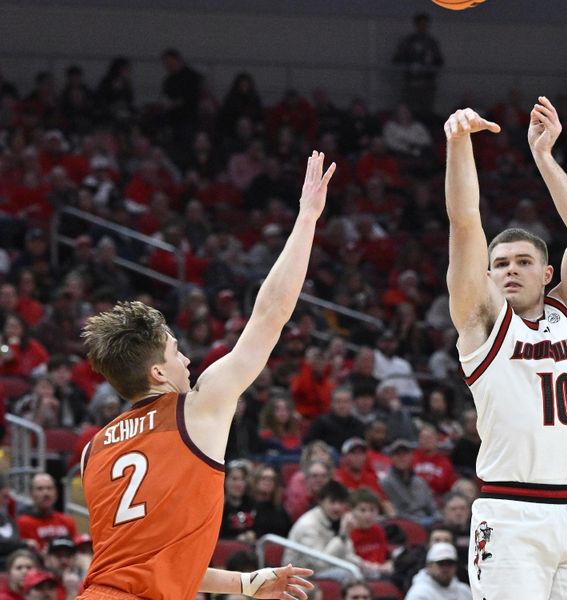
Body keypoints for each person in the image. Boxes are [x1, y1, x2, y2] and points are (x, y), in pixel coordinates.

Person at [77, 151, 336, 599]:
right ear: (158, 371)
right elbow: (270, 314)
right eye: (177, 353)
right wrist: (307, 217)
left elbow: (148, 562)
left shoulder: (92, 451)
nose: (188, 362)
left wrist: (244, 583)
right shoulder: (197, 408)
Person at [444, 97, 567, 598]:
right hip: (510, 515)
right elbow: (464, 223)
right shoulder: (480, 323)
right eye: (500, 264)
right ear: (489, 276)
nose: (511, 270)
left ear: (546, 275)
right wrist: (459, 146)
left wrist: (544, 157)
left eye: (523, 261)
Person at [391, 13, 444, 118]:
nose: (422, 27)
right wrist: (410, 65)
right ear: (416, 25)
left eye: (425, 24)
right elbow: (396, 59)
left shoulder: (432, 42)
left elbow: (440, 61)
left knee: (426, 110)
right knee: (409, 109)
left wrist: (428, 68)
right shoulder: (408, 41)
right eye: (420, 24)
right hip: (411, 83)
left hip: (427, 83)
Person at [17, 473, 77, 552]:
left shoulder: (67, 521)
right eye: (40, 489)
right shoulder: (22, 523)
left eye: (49, 488)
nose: (46, 493)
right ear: (31, 494)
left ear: (56, 493)